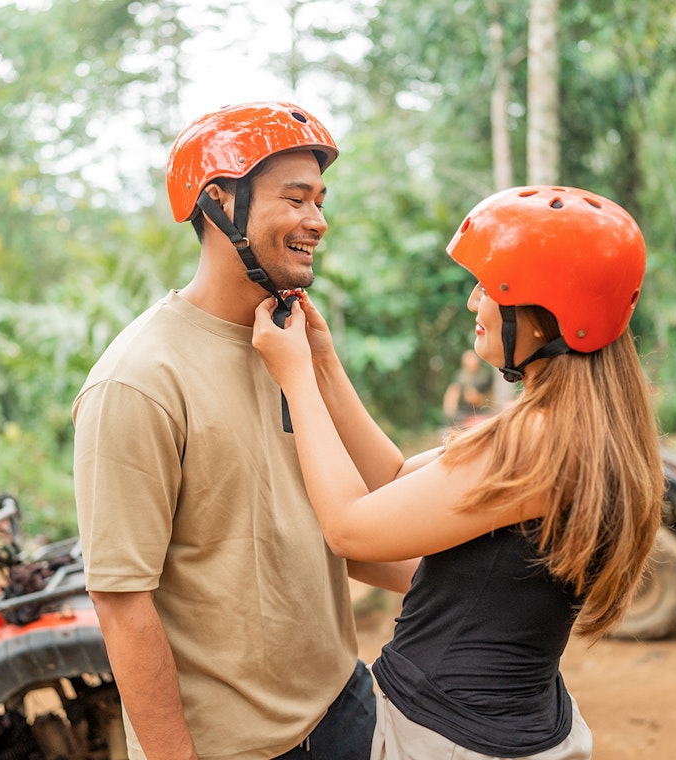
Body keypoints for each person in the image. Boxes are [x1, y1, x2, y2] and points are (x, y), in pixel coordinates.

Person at [251, 185, 664, 759]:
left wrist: (295, 378)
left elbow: (349, 527)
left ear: (544, 313)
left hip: (443, 740)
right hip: (515, 730)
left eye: (491, 288)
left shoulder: (534, 443)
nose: (475, 302)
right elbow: (396, 480)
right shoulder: (576, 431)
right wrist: (322, 362)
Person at [73, 101, 415, 760]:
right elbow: (122, 604)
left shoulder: (289, 341)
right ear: (218, 202)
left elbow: (348, 524)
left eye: (320, 200)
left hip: (344, 703)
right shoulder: (138, 381)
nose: (317, 221)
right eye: (295, 199)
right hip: (238, 749)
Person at [442, 348, 494, 428]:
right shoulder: (459, 377)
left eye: (473, 360)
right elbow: (452, 394)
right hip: (462, 413)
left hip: (480, 412)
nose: (471, 363)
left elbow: (491, 396)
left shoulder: (485, 376)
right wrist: (450, 414)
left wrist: (479, 399)